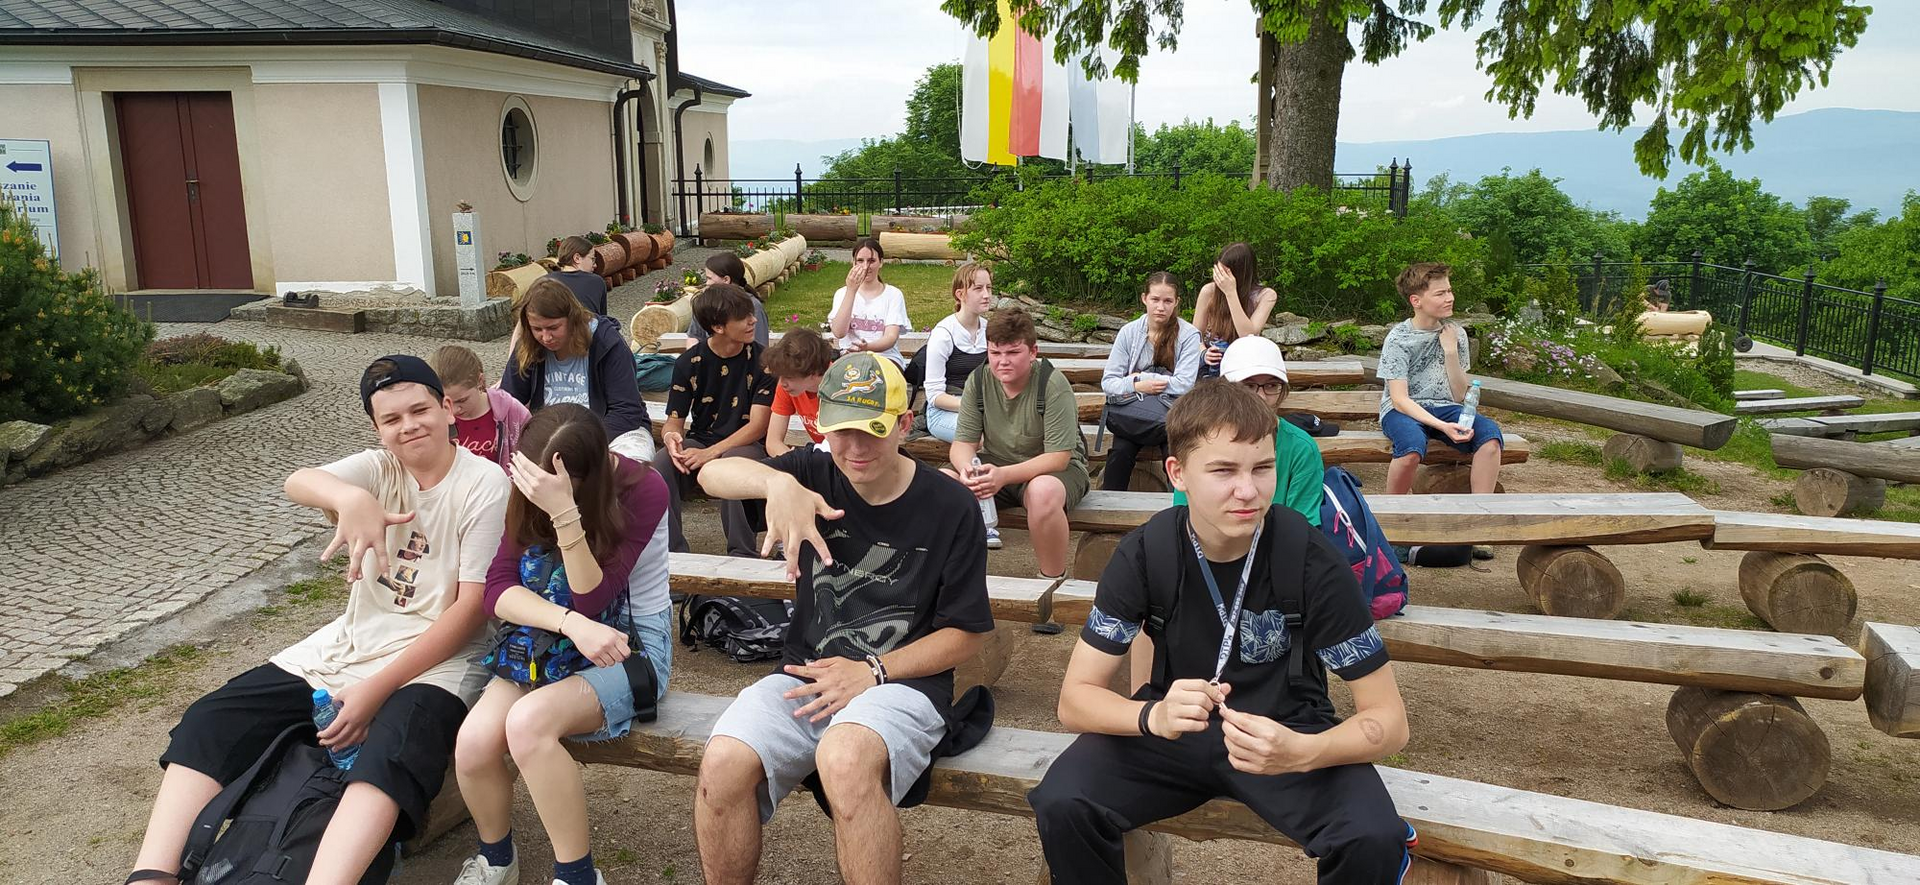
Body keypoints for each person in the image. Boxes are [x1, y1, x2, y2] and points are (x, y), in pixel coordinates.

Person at [124, 356, 510, 885]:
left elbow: (469, 611)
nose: (409, 426)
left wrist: (374, 691)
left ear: (447, 409)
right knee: (213, 717)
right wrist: (349, 497)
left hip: (439, 659)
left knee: (389, 754)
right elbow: (298, 481)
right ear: (377, 429)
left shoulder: (484, 483)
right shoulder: (380, 469)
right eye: (391, 419)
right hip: (349, 642)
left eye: (420, 410)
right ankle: (152, 874)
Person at [1027, 380, 1413, 884]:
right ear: (1178, 473)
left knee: (1372, 836)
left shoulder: (1310, 560)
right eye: (1224, 470)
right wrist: (1152, 715)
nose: (1248, 490)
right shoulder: (1146, 553)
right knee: (1064, 801)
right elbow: (1074, 701)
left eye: (1262, 468)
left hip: (1287, 729)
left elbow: (1390, 722)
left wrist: (1302, 752)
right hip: (1174, 726)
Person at [691, 351, 995, 885]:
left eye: (872, 430)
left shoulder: (950, 506)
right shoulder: (812, 472)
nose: (854, 448)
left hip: (903, 681)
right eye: (841, 431)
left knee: (845, 758)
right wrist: (777, 485)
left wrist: (872, 671)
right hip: (807, 673)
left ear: (904, 424)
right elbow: (711, 473)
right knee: (722, 762)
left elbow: (966, 635)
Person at [451, 404, 673, 885]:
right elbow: (497, 589)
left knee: (527, 724)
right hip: (549, 637)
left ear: (589, 477)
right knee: (473, 743)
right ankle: (496, 860)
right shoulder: (533, 481)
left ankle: (577, 877)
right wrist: (569, 623)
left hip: (630, 645)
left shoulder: (645, 488)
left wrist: (565, 513)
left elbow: (593, 596)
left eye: (555, 487)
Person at [947, 308, 1090, 572]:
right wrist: (969, 471)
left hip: (1052, 470)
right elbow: (963, 445)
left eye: (1013, 353)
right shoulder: (977, 380)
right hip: (996, 464)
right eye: (995, 353)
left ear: (1033, 352)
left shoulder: (1052, 384)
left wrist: (1003, 475)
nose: (1003, 361)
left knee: (1042, 492)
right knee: (941, 484)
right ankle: (952, 580)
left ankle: (1052, 577)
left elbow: (1059, 457)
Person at [653, 283, 776, 557]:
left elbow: (758, 426)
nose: (753, 320)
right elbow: (674, 420)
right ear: (718, 327)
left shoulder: (764, 362)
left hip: (748, 444)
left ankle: (742, 555)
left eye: (751, 314)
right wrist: (671, 438)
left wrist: (711, 453)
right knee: (660, 465)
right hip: (702, 440)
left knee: (734, 466)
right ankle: (672, 555)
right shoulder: (688, 362)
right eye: (743, 317)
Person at [1377, 262, 1504, 497]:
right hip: (1403, 411)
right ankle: (1392, 510)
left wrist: (1451, 352)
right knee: (1411, 448)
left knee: (1490, 437)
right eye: (1440, 293)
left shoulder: (1456, 334)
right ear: (1416, 301)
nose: (1450, 298)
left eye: (1450, 291)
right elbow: (1399, 400)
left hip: (1446, 407)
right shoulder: (1399, 339)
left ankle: (1481, 510)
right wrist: (1442, 426)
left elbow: (1459, 395)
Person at [1170, 337, 1322, 526]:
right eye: (1248, 386)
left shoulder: (1301, 448)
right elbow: (1185, 518)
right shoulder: (1199, 440)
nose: (1261, 397)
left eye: (1271, 385)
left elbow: (1303, 528)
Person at [501, 278, 654, 463]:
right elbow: (507, 403)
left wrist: (582, 446)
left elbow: (627, 410)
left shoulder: (607, 342)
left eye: (553, 327)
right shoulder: (528, 346)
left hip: (611, 432)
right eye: (537, 329)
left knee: (628, 466)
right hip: (551, 436)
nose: (546, 337)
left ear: (573, 319)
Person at [1099, 271, 1204, 491]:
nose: (1160, 307)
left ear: (1176, 302)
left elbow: (1185, 384)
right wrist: (1138, 384)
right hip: (1133, 413)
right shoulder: (1129, 332)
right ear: (1144, 298)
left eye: (1167, 301)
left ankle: (1182, 506)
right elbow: (1108, 382)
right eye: (1155, 299)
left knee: (1176, 456)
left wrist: (1140, 379)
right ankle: (1108, 506)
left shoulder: (1189, 335)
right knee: (1120, 454)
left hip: (1172, 415)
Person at [921, 261, 993, 442]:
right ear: (960, 294)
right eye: (978, 289)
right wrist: (973, 406)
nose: (986, 295)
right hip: (944, 412)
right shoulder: (944, 334)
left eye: (989, 288)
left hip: (983, 410)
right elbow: (934, 395)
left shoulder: (989, 330)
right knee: (984, 437)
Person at [430, 344, 530, 473]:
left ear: (480, 381)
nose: (454, 410)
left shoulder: (512, 411)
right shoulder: (431, 416)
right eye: (445, 403)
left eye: (462, 400)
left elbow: (533, 454)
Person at [1192, 243, 1279, 378]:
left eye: (1224, 272)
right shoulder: (1208, 291)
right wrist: (1204, 353)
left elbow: (1248, 335)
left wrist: (1231, 293)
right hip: (1211, 365)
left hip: (1243, 364)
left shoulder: (1266, 296)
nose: (1219, 277)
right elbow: (1194, 335)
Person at [828, 237, 910, 367]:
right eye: (860, 261)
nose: (866, 267)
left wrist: (867, 347)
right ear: (853, 263)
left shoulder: (893, 294)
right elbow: (839, 332)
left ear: (881, 262)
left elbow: (890, 337)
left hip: (885, 359)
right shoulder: (842, 293)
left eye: (871, 261)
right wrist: (851, 291)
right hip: (850, 359)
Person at [760, 326, 839, 457]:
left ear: (813, 372)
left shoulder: (841, 386)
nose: (782, 383)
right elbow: (773, 442)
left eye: (789, 377)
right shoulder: (788, 386)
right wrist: (796, 463)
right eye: (780, 375)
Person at [689, 251, 770, 348]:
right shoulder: (705, 302)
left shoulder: (753, 306)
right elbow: (694, 336)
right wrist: (696, 356)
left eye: (709, 278)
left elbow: (761, 346)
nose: (707, 283)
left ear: (726, 280)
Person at [544, 235, 609, 316]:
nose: (595, 265)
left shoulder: (544, 282)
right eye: (592, 259)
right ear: (577, 258)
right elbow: (602, 319)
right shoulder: (596, 281)